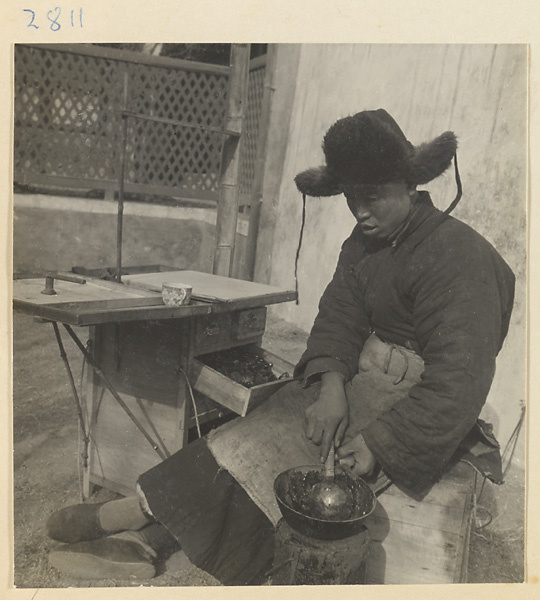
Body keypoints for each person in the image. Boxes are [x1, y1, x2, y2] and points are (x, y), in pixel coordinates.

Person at [45, 109, 515, 584]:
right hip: (362, 372)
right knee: (252, 430)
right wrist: (330, 385)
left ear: (411, 186)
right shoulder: (364, 244)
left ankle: (146, 534)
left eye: (372, 197)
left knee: (287, 467)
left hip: (415, 395)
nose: (360, 212)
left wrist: (380, 443)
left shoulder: (461, 257)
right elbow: (340, 316)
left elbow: (461, 376)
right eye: (352, 198)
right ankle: (141, 520)